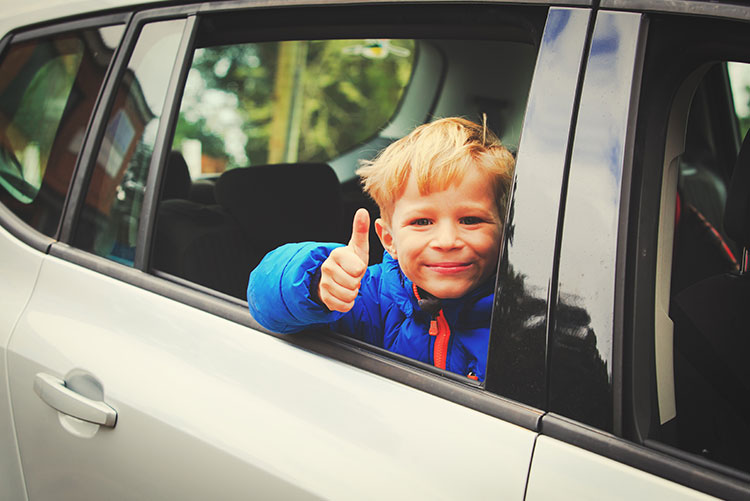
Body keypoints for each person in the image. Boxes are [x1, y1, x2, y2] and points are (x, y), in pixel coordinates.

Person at [247, 117, 514, 381]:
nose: (446, 241)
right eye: (422, 222)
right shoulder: (371, 296)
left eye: (471, 220)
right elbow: (265, 301)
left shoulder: (523, 313)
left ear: (505, 230)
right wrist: (316, 283)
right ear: (389, 240)